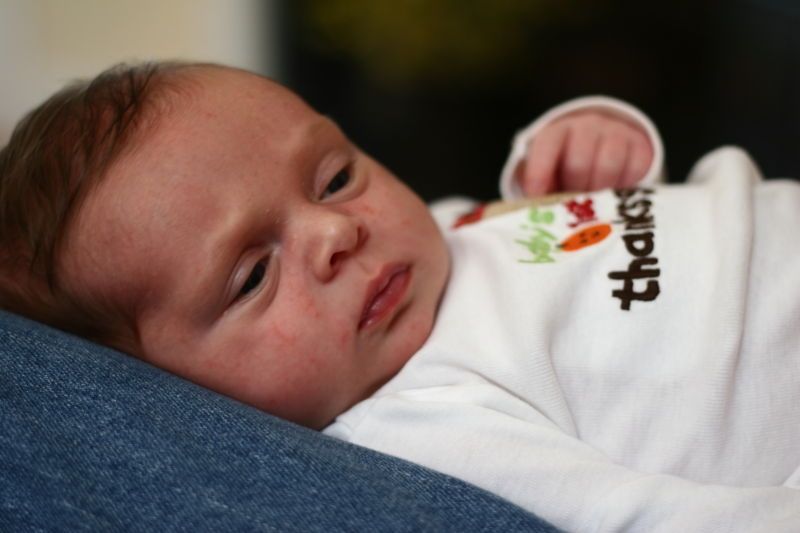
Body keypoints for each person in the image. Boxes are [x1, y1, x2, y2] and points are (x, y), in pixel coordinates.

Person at [0, 62, 797, 532]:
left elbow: (537, 223)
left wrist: (577, 145)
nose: (332, 232)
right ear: (174, 398)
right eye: (251, 275)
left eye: (337, 176)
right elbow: (636, 516)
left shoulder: (427, 250)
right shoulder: (422, 421)